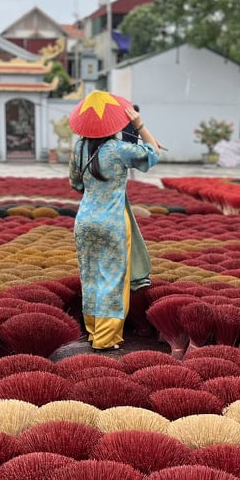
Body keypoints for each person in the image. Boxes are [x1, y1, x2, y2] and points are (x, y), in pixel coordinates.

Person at [68, 91, 160, 351]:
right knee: (112, 278)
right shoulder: (119, 150)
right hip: (112, 222)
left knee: (89, 275)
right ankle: (106, 338)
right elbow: (153, 154)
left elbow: (76, 184)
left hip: (84, 221)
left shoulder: (79, 148)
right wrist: (139, 125)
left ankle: (93, 330)